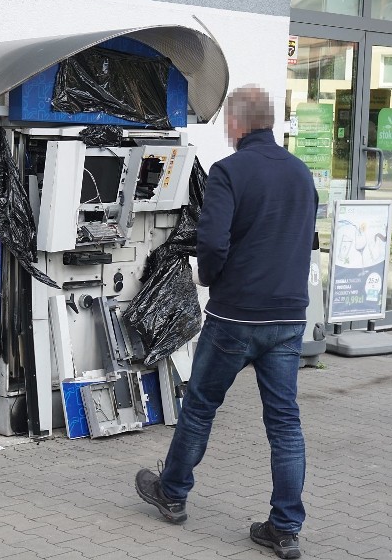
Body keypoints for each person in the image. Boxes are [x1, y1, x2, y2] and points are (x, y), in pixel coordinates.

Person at [134, 84, 318, 560]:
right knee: (285, 424)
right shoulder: (301, 174)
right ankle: (286, 528)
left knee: (199, 408)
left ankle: (172, 494)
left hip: (235, 315)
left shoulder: (228, 171)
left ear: (237, 124)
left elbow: (211, 243)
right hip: (287, 318)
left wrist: (209, 279)